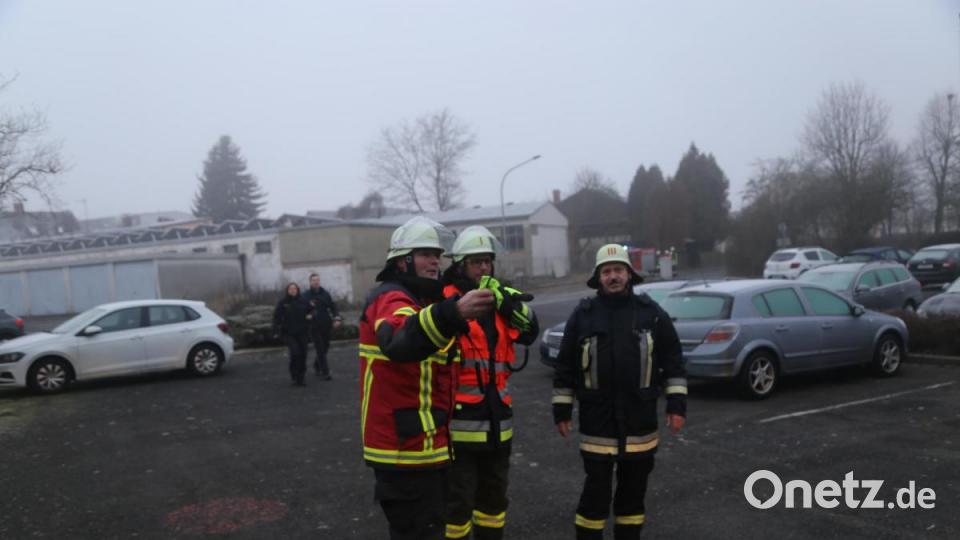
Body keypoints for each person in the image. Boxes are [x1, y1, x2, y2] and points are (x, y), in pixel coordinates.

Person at [359, 216, 496, 540]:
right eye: (424, 253)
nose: (435, 260)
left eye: (436, 254)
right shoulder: (392, 298)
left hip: (425, 447)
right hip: (403, 451)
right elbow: (400, 339)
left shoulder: (420, 301)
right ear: (402, 261)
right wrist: (452, 313)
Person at [552, 244, 687, 540]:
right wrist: (561, 410)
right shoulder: (583, 315)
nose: (613, 276)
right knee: (595, 496)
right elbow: (565, 366)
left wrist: (676, 405)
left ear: (629, 274)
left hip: (640, 425)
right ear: (598, 277)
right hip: (597, 424)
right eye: (607, 271)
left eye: (619, 270)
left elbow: (673, 361)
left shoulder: (651, 314)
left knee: (632, 497)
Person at [441, 226, 539, 540]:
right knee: (458, 505)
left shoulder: (500, 299)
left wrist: (507, 304)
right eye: (476, 262)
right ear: (460, 265)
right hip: (460, 426)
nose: (484, 268)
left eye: (487, 261)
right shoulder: (447, 301)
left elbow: (530, 330)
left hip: (498, 423)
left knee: (494, 502)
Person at [303, 273, 342, 380]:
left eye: (317, 280)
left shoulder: (325, 293)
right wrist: (307, 315)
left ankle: (317, 365)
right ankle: (325, 372)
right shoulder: (305, 295)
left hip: (326, 324)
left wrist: (337, 318)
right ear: (310, 282)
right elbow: (301, 310)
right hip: (313, 326)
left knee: (325, 347)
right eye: (314, 280)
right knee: (319, 348)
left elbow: (333, 306)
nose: (316, 282)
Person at [272, 282, 312, 386]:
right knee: (295, 353)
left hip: (302, 332)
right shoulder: (283, 302)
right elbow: (276, 317)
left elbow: (312, 311)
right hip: (289, 333)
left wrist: (310, 315)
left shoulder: (303, 301)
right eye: (291, 289)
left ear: (297, 290)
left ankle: (301, 377)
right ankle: (294, 374)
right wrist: (276, 331)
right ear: (288, 290)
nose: (293, 290)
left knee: (303, 355)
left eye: (295, 288)